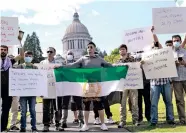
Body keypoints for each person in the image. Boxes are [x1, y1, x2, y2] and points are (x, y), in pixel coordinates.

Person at [55, 41, 111, 131]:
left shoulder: (99, 59)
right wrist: (61, 67)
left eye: (91, 47)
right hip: (87, 85)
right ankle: (86, 124)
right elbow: (72, 65)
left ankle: (103, 124)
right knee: (86, 105)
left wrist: (121, 66)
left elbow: (109, 65)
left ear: (94, 49)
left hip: (97, 85)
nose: (89, 49)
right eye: (88, 47)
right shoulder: (83, 59)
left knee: (99, 105)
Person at [141, 27, 175, 126]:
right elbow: (143, 64)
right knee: (154, 104)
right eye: (152, 44)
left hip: (166, 82)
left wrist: (153, 32)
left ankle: (170, 119)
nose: (154, 45)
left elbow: (157, 40)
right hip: (154, 83)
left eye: (155, 44)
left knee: (168, 102)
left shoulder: (163, 51)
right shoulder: (147, 55)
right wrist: (142, 62)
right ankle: (154, 121)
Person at [115, 44, 139, 128]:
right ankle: (123, 121)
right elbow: (116, 73)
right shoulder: (117, 62)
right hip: (122, 85)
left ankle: (135, 120)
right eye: (121, 49)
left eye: (123, 49)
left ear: (126, 50)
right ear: (119, 51)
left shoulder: (132, 59)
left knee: (135, 102)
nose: (122, 51)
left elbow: (138, 66)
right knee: (122, 103)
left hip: (133, 83)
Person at [41, 47, 64, 132]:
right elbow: (39, 77)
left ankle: (58, 124)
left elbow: (62, 75)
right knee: (45, 108)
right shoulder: (42, 63)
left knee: (57, 107)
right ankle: (46, 125)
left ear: (54, 53)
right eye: (48, 51)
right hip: (46, 89)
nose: (49, 53)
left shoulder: (59, 63)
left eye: (51, 51)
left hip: (56, 88)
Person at [1, 45, 23, 132]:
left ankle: (3, 128)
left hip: (7, 88)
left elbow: (21, 55)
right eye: (1, 49)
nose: (3, 51)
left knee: (5, 109)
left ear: (7, 51)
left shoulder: (10, 61)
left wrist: (19, 43)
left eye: (4, 50)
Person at [16, 51, 38, 132]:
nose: (28, 57)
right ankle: (23, 127)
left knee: (32, 110)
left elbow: (38, 80)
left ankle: (34, 127)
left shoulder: (35, 68)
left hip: (32, 93)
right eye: (26, 56)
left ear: (32, 57)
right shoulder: (19, 67)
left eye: (29, 56)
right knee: (23, 111)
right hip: (22, 93)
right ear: (24, 57)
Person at [61, 50, 84, 128]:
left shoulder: (77, 64)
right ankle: (63, 121)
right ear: (66, 56)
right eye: (68, 54)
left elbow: (81, 73)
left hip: (75, 86)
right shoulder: (63, 64)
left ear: (73, 56)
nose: (70, 55)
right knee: (65, 104)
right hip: (66, 86)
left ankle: (81, 120)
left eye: (71, 54)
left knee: (79, 103)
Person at [170, 35, 186, 125]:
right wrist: (174, 65)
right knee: (179, 100)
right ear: (172, 42)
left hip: (185, 77)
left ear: (180, 41)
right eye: (174, 40)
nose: (176, 42)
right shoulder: (170, 54)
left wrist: (184, 63)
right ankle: (182, 120)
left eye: (177, 40)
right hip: (176, 80)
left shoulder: (185, 52)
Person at [134, 51, 151, 123]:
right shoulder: (132, 57)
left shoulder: (147, 56)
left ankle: (148, 117)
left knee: (147, 101)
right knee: (138, 102)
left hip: (146, 83)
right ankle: (139, 118)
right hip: (137, 83)